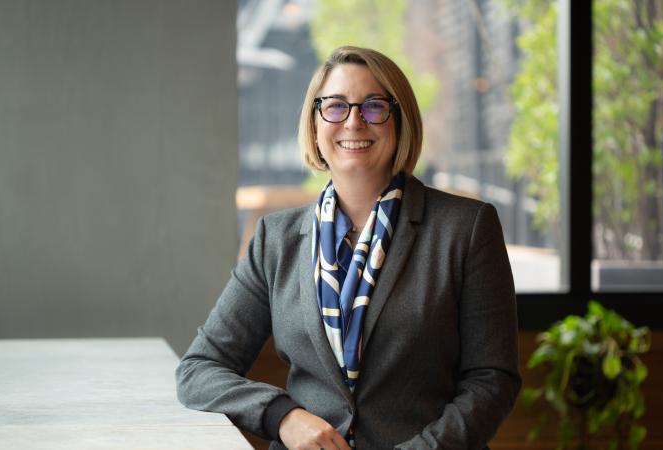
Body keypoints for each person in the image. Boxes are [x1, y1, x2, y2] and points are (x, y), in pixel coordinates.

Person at [176, 46, 521, 450]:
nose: (354, 122)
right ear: (315, 123)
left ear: (400, 120)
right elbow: (199, 370)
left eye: (374, 106)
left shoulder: (466, 228)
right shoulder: (276, 239)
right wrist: (283, 416)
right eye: (335, 106)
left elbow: (492, 379)